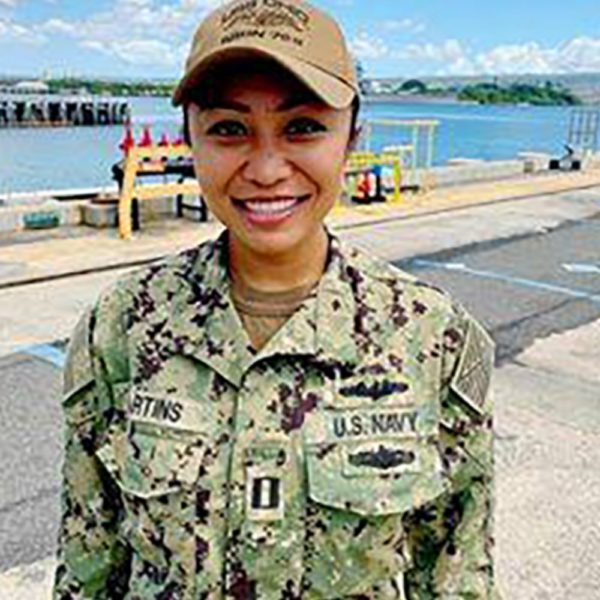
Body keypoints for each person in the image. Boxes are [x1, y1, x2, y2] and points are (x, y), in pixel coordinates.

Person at [53, 0, 498, 598]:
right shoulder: (122, 326)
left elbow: (457, 576)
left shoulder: (430, 337)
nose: (265, 169)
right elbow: (87, 567)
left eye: (303, 127)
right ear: (192, 140)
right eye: (230, 129)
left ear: (350, 139)